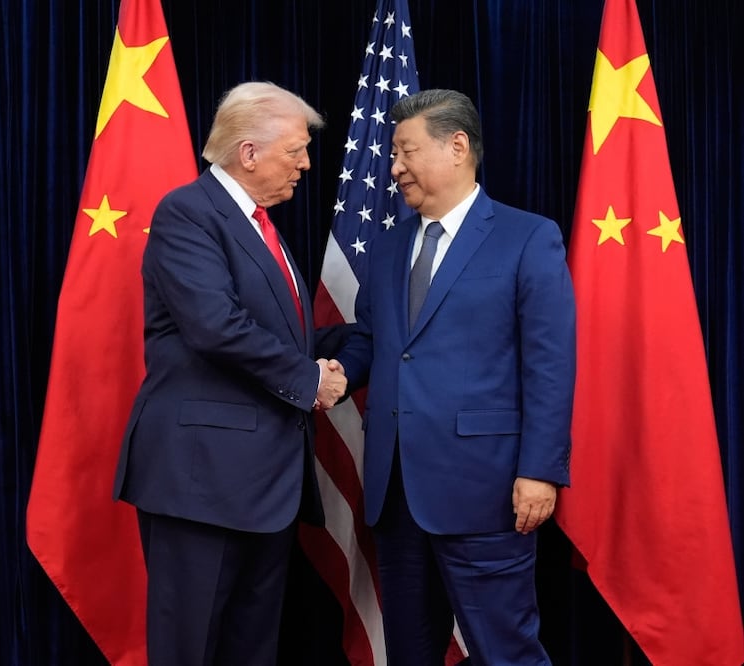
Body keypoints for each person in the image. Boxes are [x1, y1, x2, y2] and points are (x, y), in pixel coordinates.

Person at [333, 89, 576, 665]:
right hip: (395, 494)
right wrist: (336, 374)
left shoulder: (527, 238)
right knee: (410, 652)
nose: (393, 168)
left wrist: (539, 471)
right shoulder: (390, 247)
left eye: (405, 151)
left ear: (457, 146)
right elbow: (373, 338)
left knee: (505, 651)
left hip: (486, 492)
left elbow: (549, 365)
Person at [112, 81, 347, 666]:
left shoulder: (261, 226)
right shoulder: (189, 212)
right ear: (249, 153)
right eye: (295, 150)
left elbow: (281, 334)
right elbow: (216, 325)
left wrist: (354, 350)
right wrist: (310, 378)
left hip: (266, 483)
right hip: (202, 481)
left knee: (252, 648)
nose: (305, 163)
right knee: (190, 648)